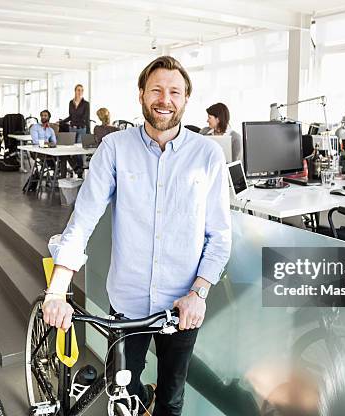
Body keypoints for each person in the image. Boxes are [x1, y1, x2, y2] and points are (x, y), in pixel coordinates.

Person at [43, 56, 231, 415]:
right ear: (142, 95)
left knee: (171, 400)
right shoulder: (115, 149)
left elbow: (219, 235)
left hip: (182, 306)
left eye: (174, 91)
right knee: (122, 396)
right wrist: (57, 290)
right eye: (156, 90)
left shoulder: (207, 154)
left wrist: (199, 293)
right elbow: (82, 222)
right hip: (128, 305)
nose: (165, 99)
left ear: (186, 98)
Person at [62, 84, 90, 176]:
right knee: (71, 151)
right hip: (72, 129)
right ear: (75, 91)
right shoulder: (71, 102)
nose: (80, 92)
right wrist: (62, 121)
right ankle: (76, 168)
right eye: (78, 90)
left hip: (82, 129)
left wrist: (88, 133)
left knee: (78, 151)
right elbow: (71, 116)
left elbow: (86, 118)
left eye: (82, 90)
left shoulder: (86, 104)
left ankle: (79, 172)